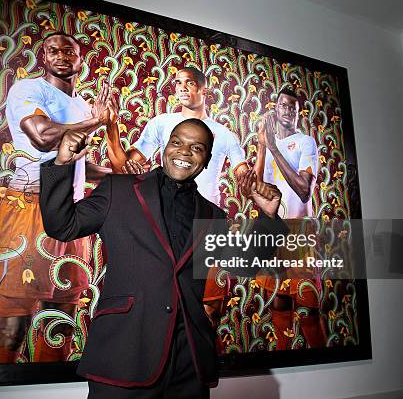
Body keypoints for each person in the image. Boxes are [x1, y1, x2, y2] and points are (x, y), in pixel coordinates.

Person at [39, 118, 284, 398]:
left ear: (206, 161)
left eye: (197, 147)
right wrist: (61, 164)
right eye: (177, 142)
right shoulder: (117, 190)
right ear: (165, 147)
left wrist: (269, 216)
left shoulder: (212, 215)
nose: (184, 152)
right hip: (124, 356)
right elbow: (62, 225)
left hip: (188, 365)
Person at [0, 32, 114, 364]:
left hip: (71, 216)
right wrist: (97, 121)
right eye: (53, 50)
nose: (61, 56)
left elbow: (78, 165)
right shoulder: (29, 89)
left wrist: (122, 177)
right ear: (44, 56)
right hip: (30, 208)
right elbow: (42, 138)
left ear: (80, 59)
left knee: (61, 323)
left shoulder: (81, 105)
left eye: (69, 51)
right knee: (11, 325)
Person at [106, 66, 248, 207]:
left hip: (206, 219)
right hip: (169, 212)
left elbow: (246, 179)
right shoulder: (161, 123)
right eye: (178, 82)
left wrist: (255, 185)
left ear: (204, 90)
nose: (182, 87)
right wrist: (111, 124)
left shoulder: (224, 133)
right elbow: (122, 169)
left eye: (190, 83)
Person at [253, 87, 324, 350]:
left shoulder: (305, 142)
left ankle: (321, 358)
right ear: (276, 108)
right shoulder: (270, 143)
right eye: (282, 105)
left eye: (292, 107)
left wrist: (272, 146)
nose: (286, 110)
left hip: (299, 232)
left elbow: (304, 191)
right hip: (273, 230)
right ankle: (285, 357)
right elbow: (257, 187)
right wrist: (262, 146)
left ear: (298, 113)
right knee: (279, 298)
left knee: (307, 304)